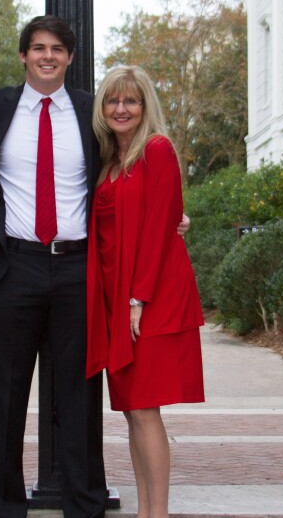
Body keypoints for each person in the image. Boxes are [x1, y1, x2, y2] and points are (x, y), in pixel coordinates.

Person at [0, 15, 108, 518]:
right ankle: (3, 505)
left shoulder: (93, 111)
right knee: (4, 396)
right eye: (38, 48)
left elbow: (123, 169)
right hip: (15, 268)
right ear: (24, 55)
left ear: (70, 58)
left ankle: (84, 504)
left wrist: (167, 215)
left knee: (80, 397)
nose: (48, 56)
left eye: (57, 49)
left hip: (77, 268)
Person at [86, 65, 205, 518]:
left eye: (130, 101)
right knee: (134, 412)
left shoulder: (157, 150)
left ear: (144, 106)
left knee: (146, 410)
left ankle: (158, 513)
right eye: (113, 101)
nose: (121, 109)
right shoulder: (109, 160)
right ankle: (145, 511)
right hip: (119, 301)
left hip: (149, 299)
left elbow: (158, 229)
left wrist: (138, 301)